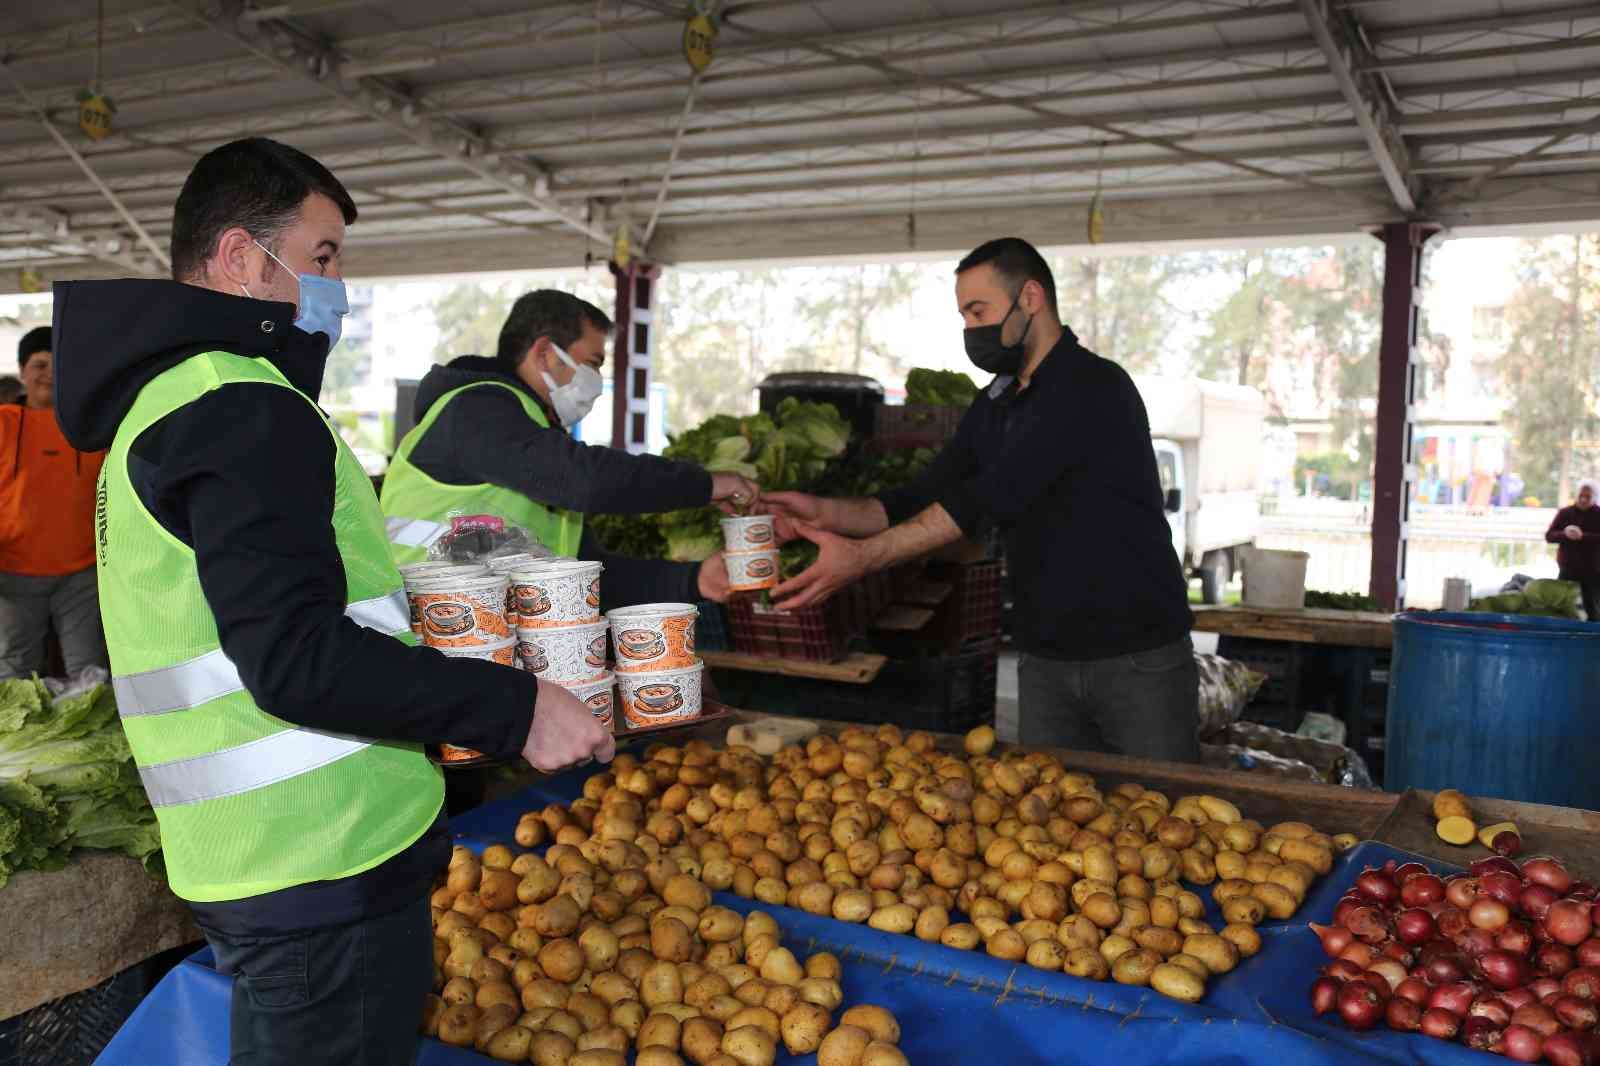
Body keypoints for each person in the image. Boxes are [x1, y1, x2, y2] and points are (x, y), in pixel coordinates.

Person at [51, 137, 613, 1066]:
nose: (337, 286)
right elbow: (297, 659)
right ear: (239, 258)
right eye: (321, 258)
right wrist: (516, 708)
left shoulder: (167, 403)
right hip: (322, 860)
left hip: (249, 858)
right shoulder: (240, 404)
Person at [764, 237, 1198, 761]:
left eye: (978, 311)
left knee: (1173, 813)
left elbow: (986, 499)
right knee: (1056, 822)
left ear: (1031, 298)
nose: (971, 329)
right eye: (965, 315)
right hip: (1044, 657)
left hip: (1136, 658)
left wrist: (860, 559)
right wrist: (824, 512)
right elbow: (925, 493)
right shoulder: (996, 401)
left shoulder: (1092, 388)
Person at [379, 289, 757, 607]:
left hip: (489, 642)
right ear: (544, 353)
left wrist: (694, 581)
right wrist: (704, 485)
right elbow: (585, 478)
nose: (595, 382)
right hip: (425, 634)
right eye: (591, 364)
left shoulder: (535, 433)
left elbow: (583, 573)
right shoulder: (475, 410)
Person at [0, 327, 108, 679]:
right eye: (39, 364)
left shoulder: (90, 427)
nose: (48, 373)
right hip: (13, 572)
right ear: (22, 372)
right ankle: (17, 737)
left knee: (88, 672)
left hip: (83, 572)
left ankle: (84, 735)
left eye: (56, 365)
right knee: (14, 672)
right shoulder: (3, 423)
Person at [1546, 479, 1600, 621]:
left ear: (1595, 498)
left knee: (1592, 607)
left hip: (1593, 570)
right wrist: (1565, 534)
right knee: (1561, 604)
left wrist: (1583, 536)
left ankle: (1593, 638)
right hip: (1567, 568)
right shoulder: (1565, 513)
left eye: (1587, 497)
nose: (1583, 499)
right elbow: (1549, 536)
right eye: (1581, 496)